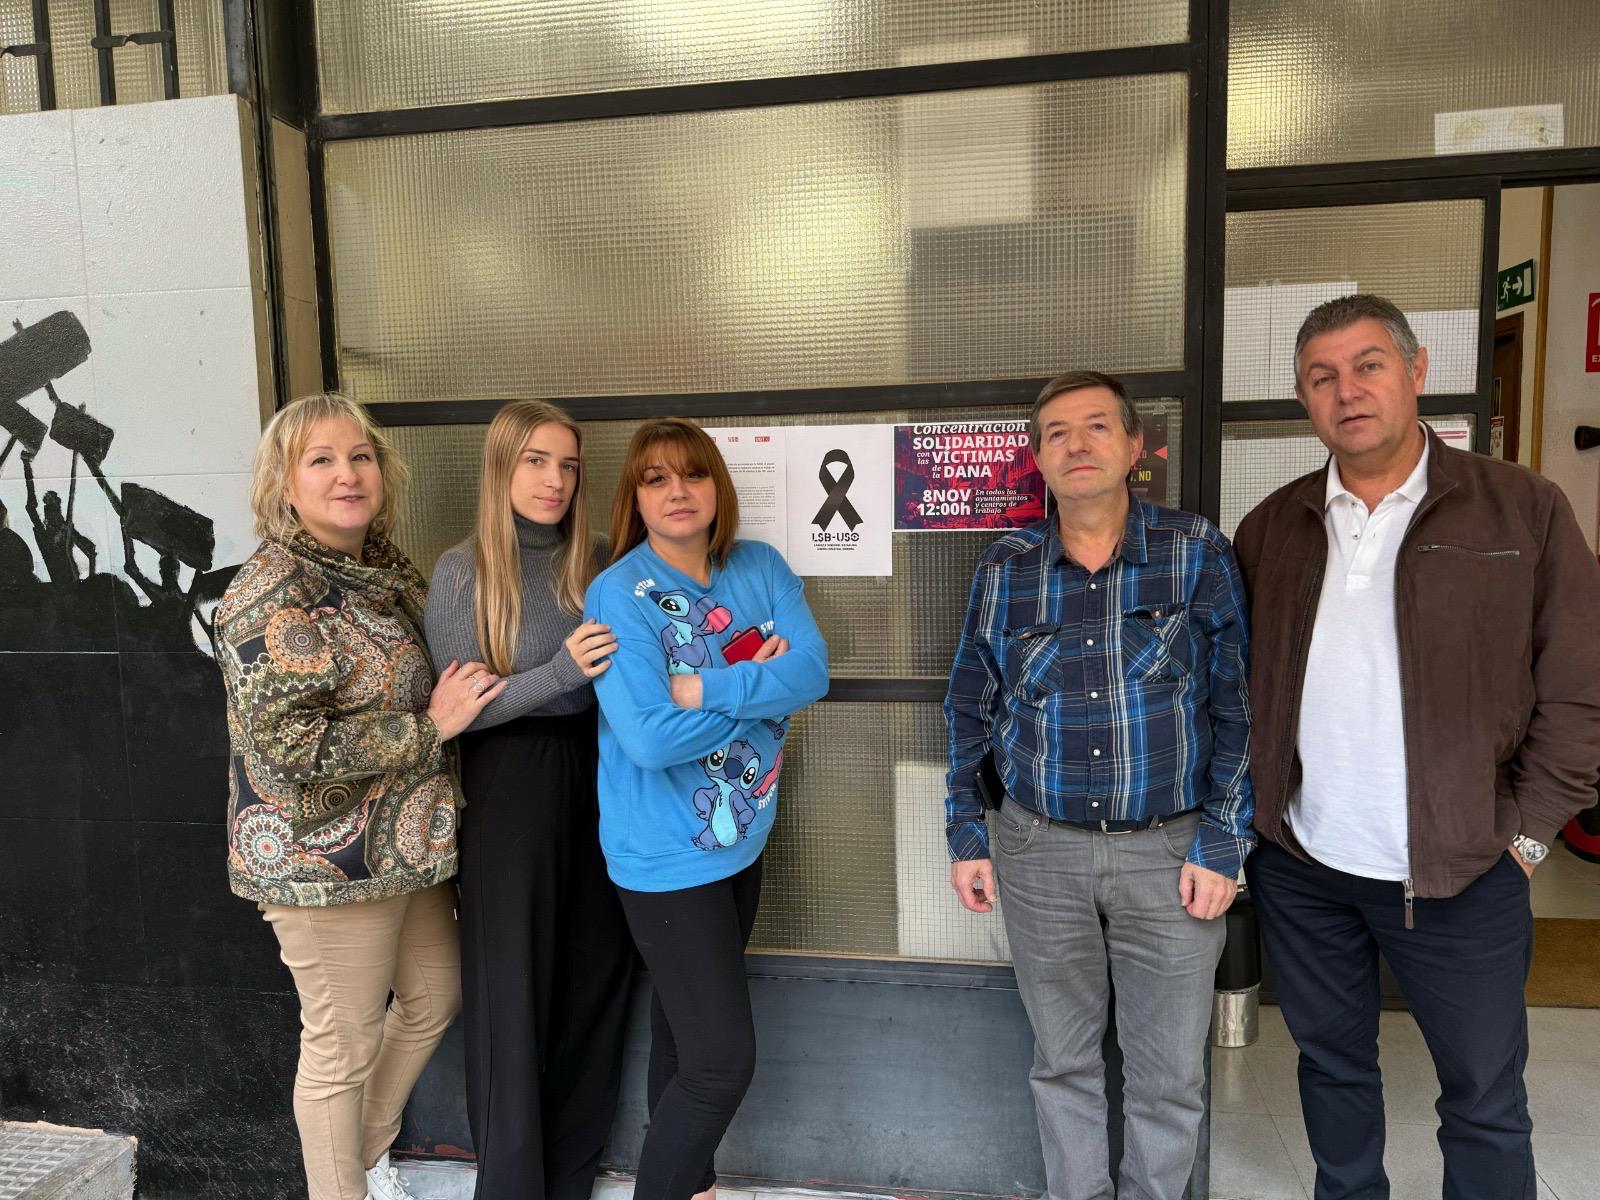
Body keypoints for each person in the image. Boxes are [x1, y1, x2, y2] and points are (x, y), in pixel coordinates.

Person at [1234, 294, 1600, 1200]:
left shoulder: (1522, 509)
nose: (1347, 391)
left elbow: (1578, 687)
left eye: (1368, 366)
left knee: (1483, 1097)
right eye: (1322, 377)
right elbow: (1238, 690)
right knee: (1331, 1069)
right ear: (1303, 398)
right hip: (1305, 865)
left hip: (1464, 869)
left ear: (1416, 370)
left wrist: (1528, 836)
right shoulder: (1272, 527)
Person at [944, 371, 1254, 1200]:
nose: (1076, 445)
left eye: (1096, 426)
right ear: (1038, 458)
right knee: (1063, 1063)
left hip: (1172, 852)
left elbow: (1239, 706)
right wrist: (967, 831)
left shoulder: (1195, 551)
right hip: (1037, 851)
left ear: (1134, 445)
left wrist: (1224, 842)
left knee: (1169, 1077)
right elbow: (969, 706)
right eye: (1056, 432)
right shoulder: (1006, 568)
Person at [216, 392, 503, 1200]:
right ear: (284, 484)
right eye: (322, 460)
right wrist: (432, 727)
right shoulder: (273, 593)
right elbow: (292, 746)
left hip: (403, 852)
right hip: (324, 863)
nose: (347, 474)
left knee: (435, 995)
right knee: (340, 1048)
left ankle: (362, 1157)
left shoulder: (379, 570)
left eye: (361, 456)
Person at [586, 417, 828, 1200]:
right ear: (634, 498)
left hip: (740, 843)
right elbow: (650, 738)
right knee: (722, 1064)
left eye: (692, 473)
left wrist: (703, 687)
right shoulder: (619, 593)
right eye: (655, 478)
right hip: (663, 857)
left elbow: (815, 672)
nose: (677, 491)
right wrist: (761, 696)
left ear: (717, 486)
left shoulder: (759, 567)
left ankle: (695, 1187)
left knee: (683, 1041)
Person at [423, 400, 633, 1200]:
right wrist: (560, 674)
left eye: (568, 465)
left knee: (596, 974)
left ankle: (570, 1178)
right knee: (510, 988)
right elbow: (465, 711)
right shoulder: (463, 570)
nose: (555, 480)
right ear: (501, 467)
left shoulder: (603, 560)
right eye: (535, 461)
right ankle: (511, 1186)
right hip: (507, 778)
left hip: (605, 770)